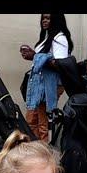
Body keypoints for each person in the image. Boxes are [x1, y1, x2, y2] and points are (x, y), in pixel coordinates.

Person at [22, 13, 74, 141]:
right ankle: (34, 150)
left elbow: (60, 65)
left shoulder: (60, 38)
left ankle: (42, 153)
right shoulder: (46, 37)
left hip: (49, 85)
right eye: (43, 18)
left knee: (43, 124)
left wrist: (34, 56)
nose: (44, 21)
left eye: (48, 18)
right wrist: (31, 54)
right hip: (38, 84)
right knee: (31, 121)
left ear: (56, 20)